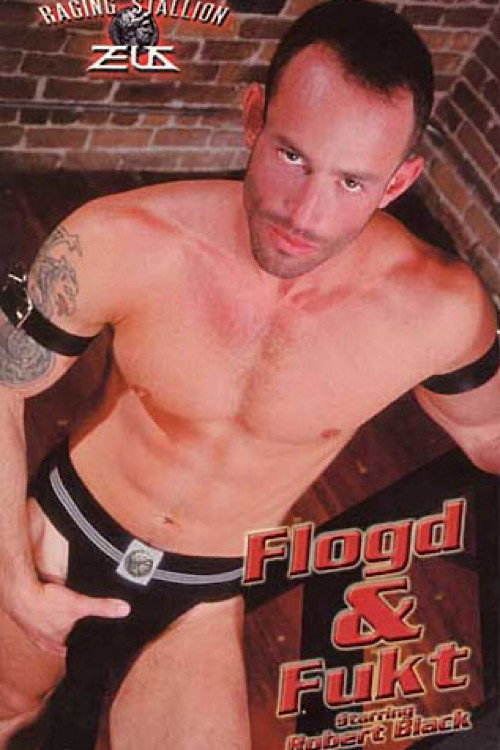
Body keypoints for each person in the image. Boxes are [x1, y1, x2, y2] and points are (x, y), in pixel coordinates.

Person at [0, 1, 499, 747]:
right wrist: (11, 578)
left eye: (353, 183)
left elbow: (491, 436)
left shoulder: (439, 313)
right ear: (254, 117)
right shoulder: (120, 238)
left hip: (202, 597)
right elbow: (4, 388)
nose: (305, 214)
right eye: (293, 157)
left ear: (399, 182)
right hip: (61, 540)